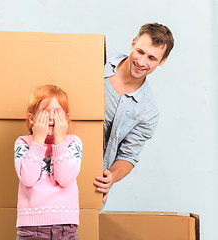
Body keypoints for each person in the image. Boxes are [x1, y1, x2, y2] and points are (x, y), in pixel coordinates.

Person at [94, 23, 174, 202]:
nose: (142, 62)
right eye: (140, 52)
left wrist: (111, 178)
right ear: (132, 43)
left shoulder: (148, 112)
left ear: (162, 61)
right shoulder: (98, 55)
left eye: (152, 58)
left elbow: (128, 155)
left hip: (89, 176)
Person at [14, 85, 82, 240]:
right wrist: (38, 140)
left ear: (66, 117)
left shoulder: (72, 143)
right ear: (32, 118)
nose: (51, 117)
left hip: (67, 226)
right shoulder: (23, 143)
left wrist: (59, 140)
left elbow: (64, 179)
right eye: (45, 112)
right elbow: (28, 179)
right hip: (31, 229)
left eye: (57, 112)